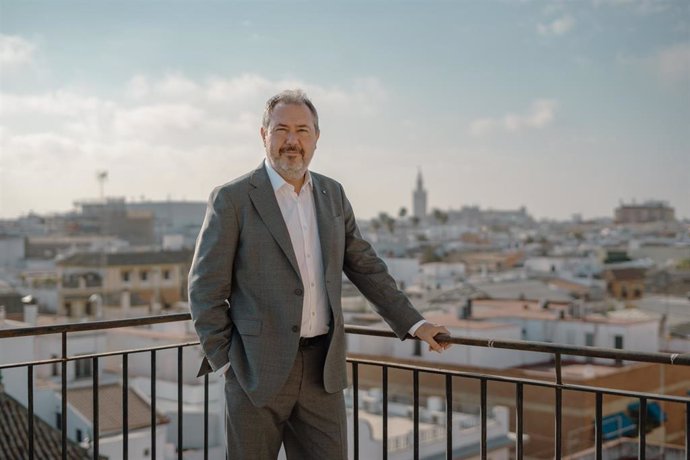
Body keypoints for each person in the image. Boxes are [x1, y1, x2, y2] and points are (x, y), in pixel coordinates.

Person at [189, 89, 450, 460]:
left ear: (316, 138)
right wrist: (227, 361)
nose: (292, 141)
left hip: (322, 373)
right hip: (253, 371)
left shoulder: (333, 194)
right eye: (281, 130)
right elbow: (205, 288)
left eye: (302, 130)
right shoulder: (232, 198)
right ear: (264, 135)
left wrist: (415, 323)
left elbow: (364, 265)